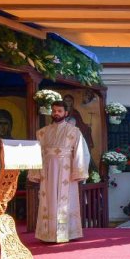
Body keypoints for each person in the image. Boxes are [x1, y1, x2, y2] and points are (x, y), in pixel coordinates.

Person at [31, 100, 90, 243]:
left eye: (59, 111)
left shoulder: (74, 131)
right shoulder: (42, 132)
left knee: (66, 201)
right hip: (47, 172)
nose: (56, 113)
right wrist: (35, 173)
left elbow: (80, 152)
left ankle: (67, 233)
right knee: (48, 201)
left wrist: (78, 172)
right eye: (54, 111)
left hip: (67, 172)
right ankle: (48, 234)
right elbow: (36, 154)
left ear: (66, 113)